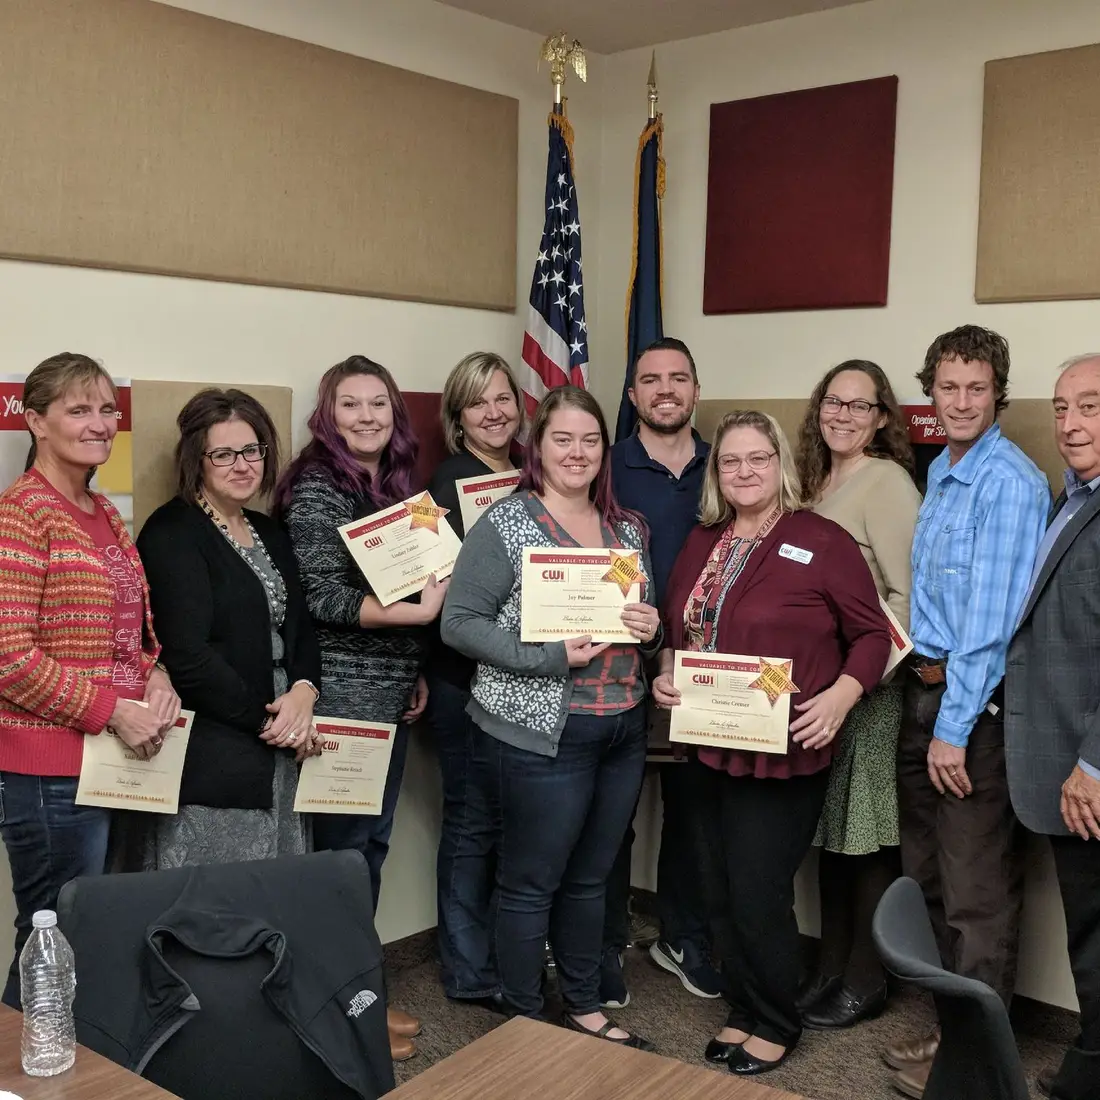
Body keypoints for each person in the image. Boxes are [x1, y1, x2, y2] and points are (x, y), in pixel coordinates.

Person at [654, 410, 890, 1077]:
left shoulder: (822, 540)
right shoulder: (703, 540)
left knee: (759, 891)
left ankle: (777, 1018)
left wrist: (844, 694)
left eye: (758, 458)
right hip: (704, 744)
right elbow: (681, 630)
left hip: (782, 749)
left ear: (779, 462)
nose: (745, 472)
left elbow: (873, 635)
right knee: (716, 885)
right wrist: (666, 674)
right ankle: (744, 1002)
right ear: (717, 471)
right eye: (731, 461)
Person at [441, 386, 662, 1048]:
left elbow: (643, 623)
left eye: (590, 440)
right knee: (531, 881)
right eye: (561, 439)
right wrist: (547, 657)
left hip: (622, 728)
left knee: (592, 879)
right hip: (541, 734)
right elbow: (459, 624)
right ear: (537, 449)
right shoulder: (505, 526)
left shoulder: (627, 530)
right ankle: (524, 1011)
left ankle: (585, 1005)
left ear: (605, 450)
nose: (577, 452)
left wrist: (650, 629)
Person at [884, 325, 1049, 1100]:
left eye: (975, 388)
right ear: (931, 392)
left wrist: (952, 727)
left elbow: (990, 624)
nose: (959, 401)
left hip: (969, 710)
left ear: (997, 395)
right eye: (946, 387)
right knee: (932, 881)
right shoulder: (946, 469)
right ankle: (954, 1035)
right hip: (922, 690)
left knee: (976, 891)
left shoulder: (1008, 482)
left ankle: (977, 1066)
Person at [0, 352, 179, 1008]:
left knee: (94, 930)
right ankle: (25, 1072)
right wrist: (112, 710)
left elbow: (132, 633)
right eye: (80, 409)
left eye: (107, 409)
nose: (101, 423)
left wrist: (155, 676)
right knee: (52, 932)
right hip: (49, 771)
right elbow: (8, 656)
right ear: (36, 421)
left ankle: (76, 1066)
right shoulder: (21, 514)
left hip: (114, 761)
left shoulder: (104, 513)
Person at [277, 355, 435, 1062]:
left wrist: (413, 669)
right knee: (339, 861)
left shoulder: (395, 486)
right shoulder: (317, 485)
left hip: (386, 700)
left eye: (379, 404)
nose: (366, 417)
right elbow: (319, 597)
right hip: (339, 703)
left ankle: (354, 994)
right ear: (327, 415)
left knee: (366, 853)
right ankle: (331, 1007)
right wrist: (410, 621)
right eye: (351, 405)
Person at [137, 389, 323, 868]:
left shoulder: (270, 531)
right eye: (223, 454)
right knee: (218, 901)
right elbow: (187, 657)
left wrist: (304, 692)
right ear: (196, 459)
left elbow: (301, 627)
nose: (242, 465)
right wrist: (269, 724)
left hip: (286, 737)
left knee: (277, 889)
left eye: (252, 450)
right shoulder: (172, 532)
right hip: (220, 749)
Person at [794, 361, 921, 1029]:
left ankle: (867, 981)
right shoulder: (816, 483)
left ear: (880, 418)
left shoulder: (887, 482)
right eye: (832, 401)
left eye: (859, 405)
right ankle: (830, 968)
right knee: (832, 838)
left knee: (866, 841)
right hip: (820, 694)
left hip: (866, 696)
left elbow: (906, 598)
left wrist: (862, 678)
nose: (842, 414)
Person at [602, 337, 721, 1008]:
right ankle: (604, 942)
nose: (666, 389)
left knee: (695, 812)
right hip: (622, 661)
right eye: (651, 380)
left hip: (706, 669)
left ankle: (682, 937)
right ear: (633, 395)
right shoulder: (607, 464)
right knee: (613, 813)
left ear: (696, 390)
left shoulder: (726, 463)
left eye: (679, 377)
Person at [1006, 353, 1100, 1100]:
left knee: (1098, 937)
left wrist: (1094, 764)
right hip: (1061, 751)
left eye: (1091, 407)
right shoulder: (1072, 498)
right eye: (1063, 408)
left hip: (1089, 771)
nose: (1070, 424)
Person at [426, 352, 522, 1009]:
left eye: (503, 398)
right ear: (458, 418)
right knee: (471, 824)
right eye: (478, 402)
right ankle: (466, 966)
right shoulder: (448, 484)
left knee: (502, 823)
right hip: (463, 682)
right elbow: (437, 596)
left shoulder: (530, 475)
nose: (494, 412)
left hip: (514, 678)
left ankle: (494, 952)